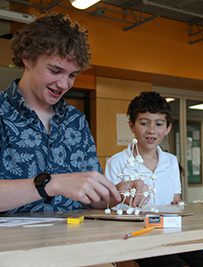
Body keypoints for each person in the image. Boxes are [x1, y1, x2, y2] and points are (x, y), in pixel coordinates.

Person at [0, 13, 121, 214]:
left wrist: (115, 194)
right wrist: (50, 184)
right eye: (55, 71)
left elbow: (92, 200)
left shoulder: (76, 120)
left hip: (72, 241)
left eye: (72, 75)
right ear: (27, 58)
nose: (64, 84)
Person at [105, 91, 203, 267]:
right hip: (137, 238)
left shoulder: (171, 161)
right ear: (132, 125)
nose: (151, 130)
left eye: (158, 124)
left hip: (171, 233)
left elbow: (176, 200)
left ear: (168, 128)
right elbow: (108, 206)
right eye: (144, 123)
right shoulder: (117, 162)